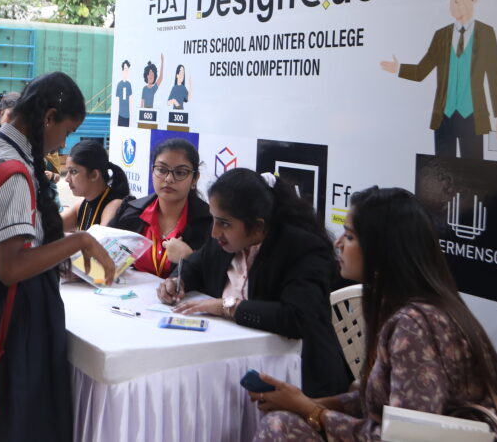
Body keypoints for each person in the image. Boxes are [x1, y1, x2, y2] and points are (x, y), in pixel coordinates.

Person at [0, 72, 115, 442]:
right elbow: (12, 268)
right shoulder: (14, 172)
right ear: (49, 118)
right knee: (22, 420)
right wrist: (80, 243)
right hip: (18, 316)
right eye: (67, 129)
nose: (65, 140)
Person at [253, 186, 497, 440]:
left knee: (280, 427)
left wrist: (311, 411)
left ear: (382, 249)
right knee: (284, 419)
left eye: (349, 236)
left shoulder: (416, 325)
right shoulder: (402, 307)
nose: (338, 245)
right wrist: (308, 403)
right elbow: (380, 403)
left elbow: (405, 436)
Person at [157, 168, 350, 398]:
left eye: (224, 223)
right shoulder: (221, 243)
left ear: (258, 226)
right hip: (230, 367)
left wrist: (227, 306)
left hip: (297, 381)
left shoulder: (303, 250)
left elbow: (296, 317)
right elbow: (195, 266)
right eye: (214, 220)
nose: (214, 232)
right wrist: (177, 281)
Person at [380, 0, 497, 160]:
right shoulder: (441, 36)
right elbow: (421, 71)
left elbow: (494, 77)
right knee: (442, 175)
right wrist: (399, 69)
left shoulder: (486, 33)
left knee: (473, 173)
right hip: (443, 118)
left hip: (472, 117)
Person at [110, 138, 211, 278]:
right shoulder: (130, 212)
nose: (169, 179)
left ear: (194, 178)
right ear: (152, 172)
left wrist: (189, 259)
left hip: (184, 299)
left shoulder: (209, 223)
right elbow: (104, 256)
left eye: (180, 173)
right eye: (162, 170)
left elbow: (218, 282)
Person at [60, 140, 129, 231]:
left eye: (73, 171)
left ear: (94, 175)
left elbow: (100, 241)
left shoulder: (114, 205)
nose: (67, 179)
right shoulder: (82, 205)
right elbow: (49, 228)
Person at [115, 60, 132, 127]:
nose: (126, 71)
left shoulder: (129, 84)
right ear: (122, 70)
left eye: (127, 69)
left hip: (127, 116)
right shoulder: (119, 84)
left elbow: (130, 100)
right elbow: (117, 101)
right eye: (125, 69)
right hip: (120, 115)